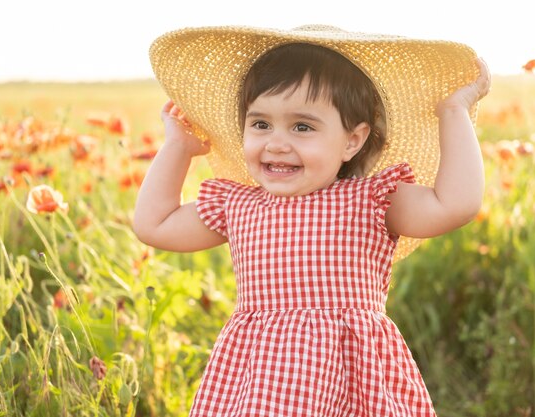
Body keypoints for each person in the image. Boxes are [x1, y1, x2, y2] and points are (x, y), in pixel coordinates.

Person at [134, 25, 490, 417]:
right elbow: (155, 224)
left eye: (302, 126)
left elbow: (454, 204)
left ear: (352, 141)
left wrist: (454, 113)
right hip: (263, 383)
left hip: (354, 380)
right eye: (260, 124)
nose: (277, 142)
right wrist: (177, 149)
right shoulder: (240, 205)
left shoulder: (369, 200)